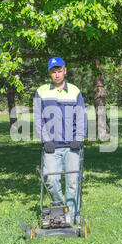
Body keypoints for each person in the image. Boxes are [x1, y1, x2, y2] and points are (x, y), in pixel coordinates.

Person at [34, 57, 87, 223]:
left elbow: (81, 117)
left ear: (65, 70)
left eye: (59, 71)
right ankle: (62, 209)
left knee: (72, 181)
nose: (56, 74)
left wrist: (78, 138)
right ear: (49, 73)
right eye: (53, 72)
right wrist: (45, 140)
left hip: (72, 146)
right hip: (51, 147)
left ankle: (71, 216)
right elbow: (38, 118)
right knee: (50, 178)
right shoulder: (41, 91)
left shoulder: (75, 91)